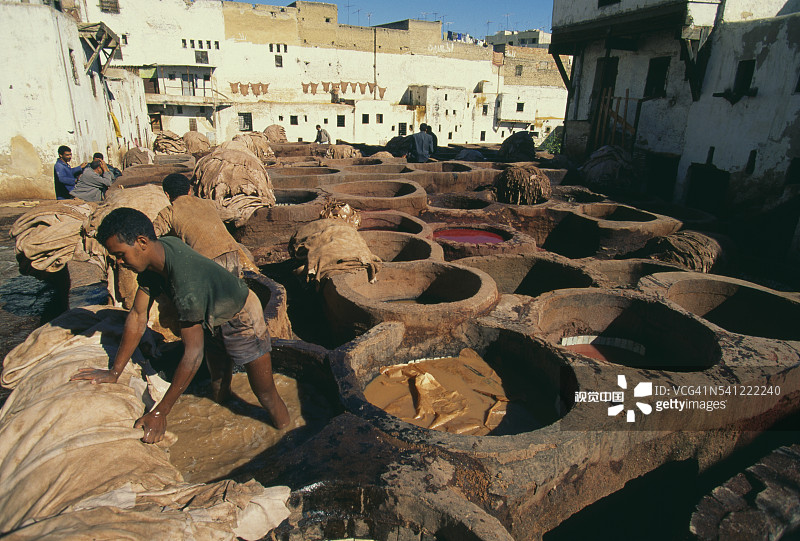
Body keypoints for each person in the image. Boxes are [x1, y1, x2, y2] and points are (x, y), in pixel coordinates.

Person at [70, 208, 290, 443]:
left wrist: (160, 412)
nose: (120, 263)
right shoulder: (156, 257)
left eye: (121, 255)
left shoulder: (185, 284)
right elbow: (137, 316)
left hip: (241, 315)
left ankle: (287, 433)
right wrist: (115, 372)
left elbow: (193, 354)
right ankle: (225, 408)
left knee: (265, 392)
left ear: (142, 242)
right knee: (217, 385)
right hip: (211, 314)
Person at [153, 173, 243, 276]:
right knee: (231, 288)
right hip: (232, 253)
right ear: (189, 191)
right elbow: (232, 214)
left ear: (167, 194)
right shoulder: (208, 203)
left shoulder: (169, 212)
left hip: (206, 260)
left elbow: (152, 234)